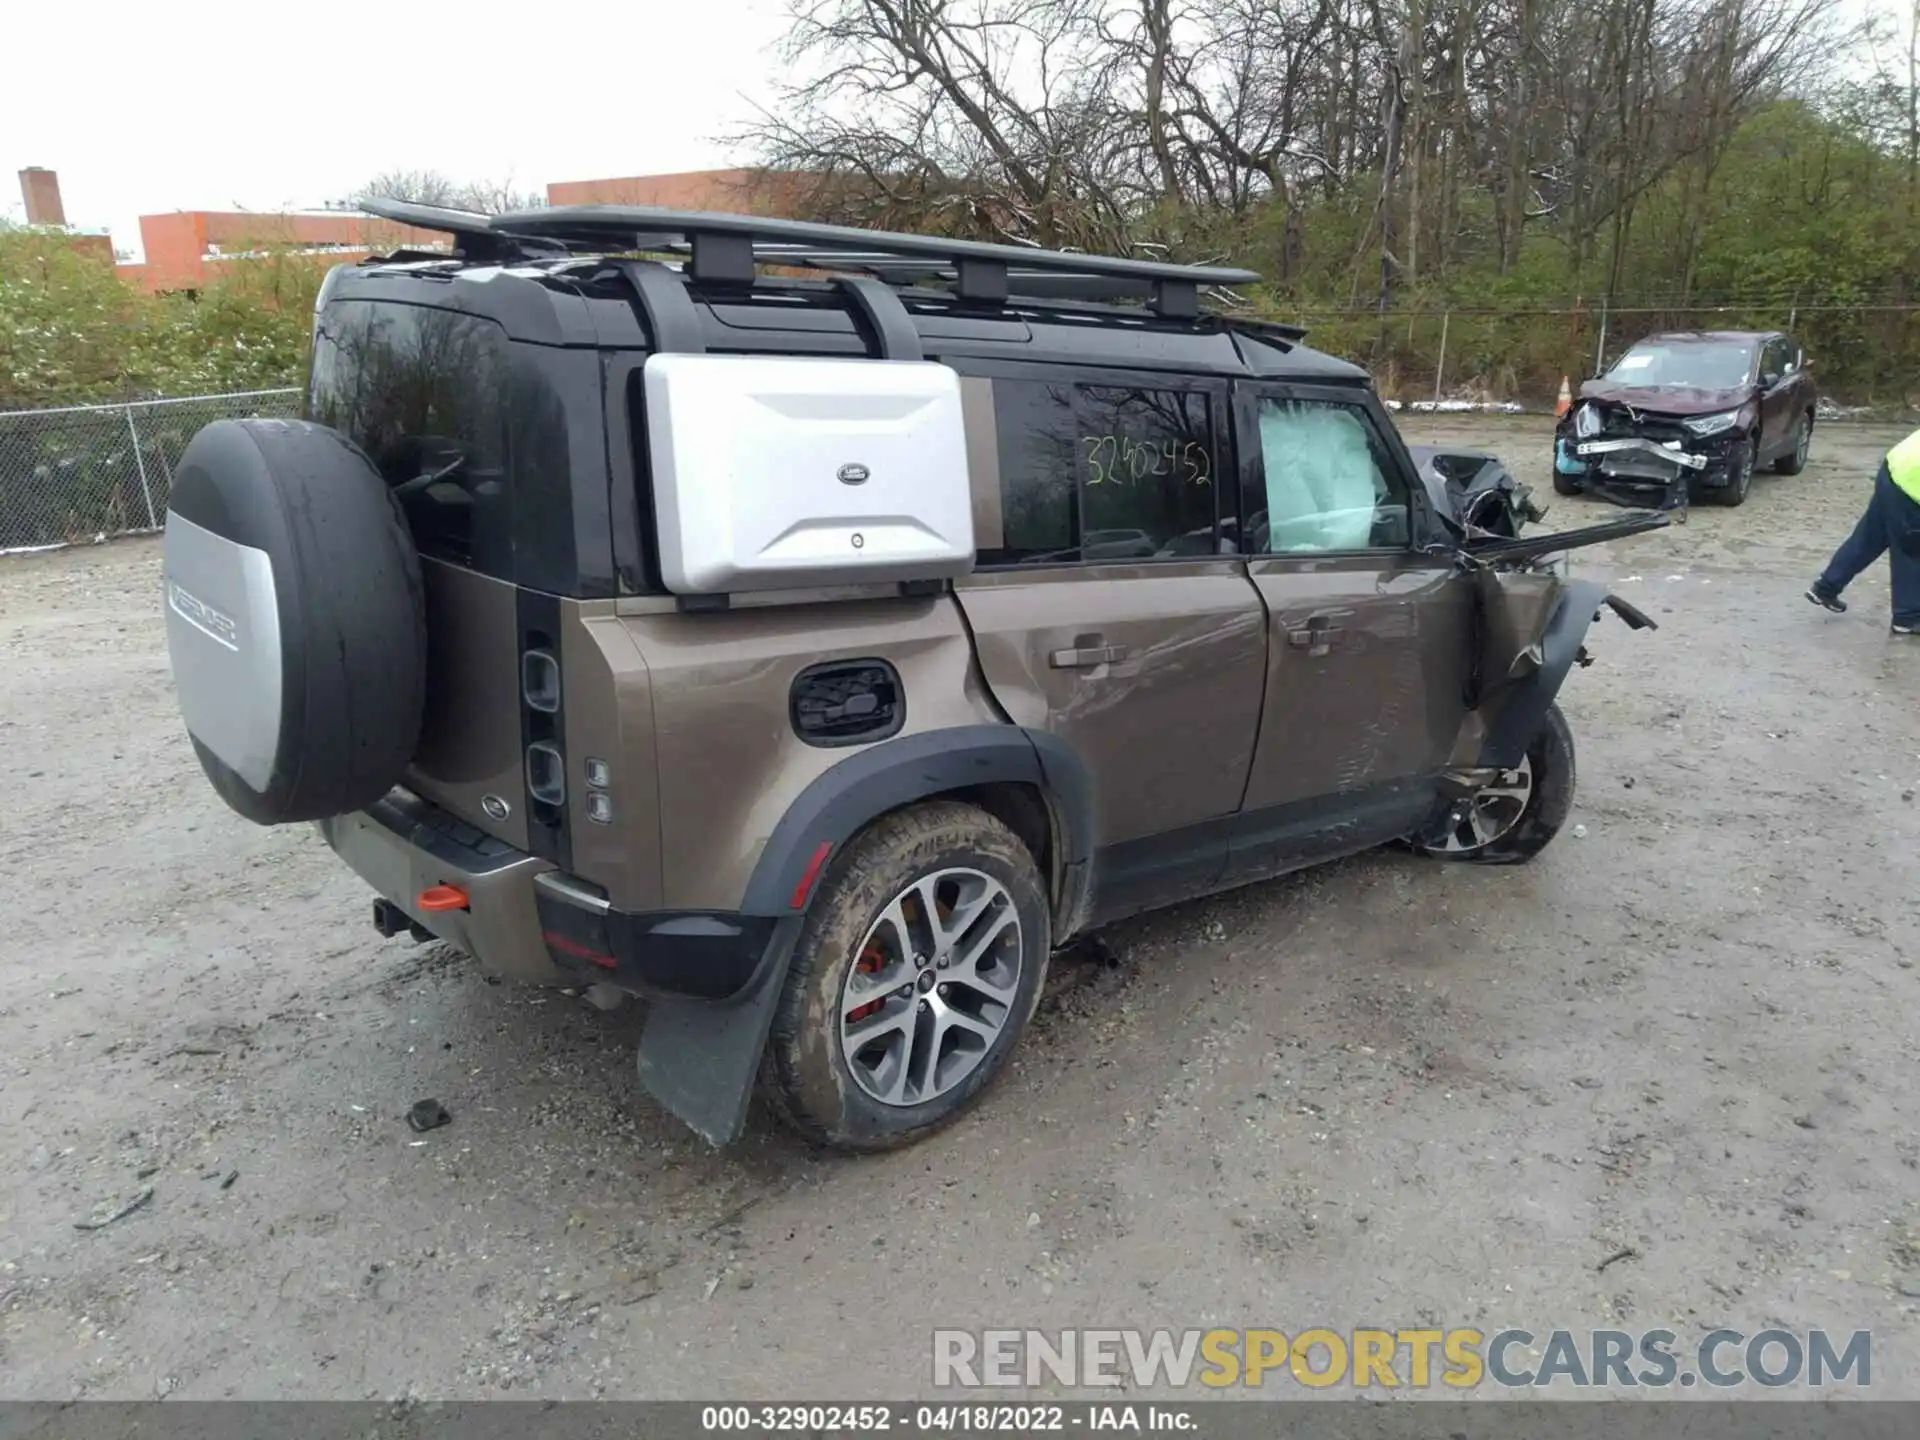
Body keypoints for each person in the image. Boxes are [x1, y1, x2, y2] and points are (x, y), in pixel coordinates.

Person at [1806, 427, 1920, 635]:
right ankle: (1907, 617)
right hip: (1912, 487)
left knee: (1870, 538)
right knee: (1912, 550)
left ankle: (1826, 587)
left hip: (1894, 468)